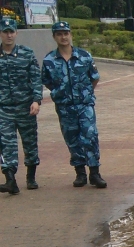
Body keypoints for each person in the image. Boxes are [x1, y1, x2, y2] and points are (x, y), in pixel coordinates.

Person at [41, 20, 105, 188]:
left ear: (70, 35)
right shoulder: (49, 60)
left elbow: (95, 77)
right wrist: (60, 93)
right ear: (54, 37)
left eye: (66, 33)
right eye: (60, 34)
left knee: (90, 136)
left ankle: (95, 173)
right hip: (65, 107)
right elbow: (47, 81)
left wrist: (86, 93)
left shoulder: (84, 56)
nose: (64, 37)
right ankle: (80, 173)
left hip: (84, 105)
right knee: (72, 139)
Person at [0, 16, 42, 194]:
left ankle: (31, 177)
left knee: (30, 142)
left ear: (16, 33)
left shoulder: (26, 53)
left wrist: (36, 100)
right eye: (5, 32)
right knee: (6, 143)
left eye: (11, 32)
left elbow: (35, 78)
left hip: (26, 107)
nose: (9, 35)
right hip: (4, 109)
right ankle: (10, 180)